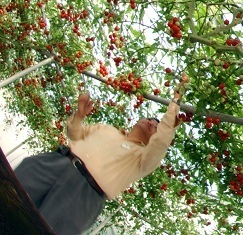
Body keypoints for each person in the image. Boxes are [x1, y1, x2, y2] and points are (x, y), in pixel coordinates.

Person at [14, 74, 189, 234]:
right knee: (11, 191)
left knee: (43, 230)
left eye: (155, 127)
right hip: (58, 162)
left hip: (84, 194)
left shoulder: (142, 159)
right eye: (149, 119)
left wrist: (176, 99)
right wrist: (79, 116)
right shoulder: (107, 129)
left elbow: (163, 139)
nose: (151, 124)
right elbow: (75, 135)